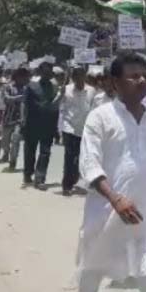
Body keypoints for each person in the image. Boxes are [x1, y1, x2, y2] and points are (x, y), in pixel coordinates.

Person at [75, 53, 146, 292]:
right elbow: (90, 165)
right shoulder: (100, 117)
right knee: (90, 275)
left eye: (145, 76)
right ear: (115, 82)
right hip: (105, 214)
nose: (142, 81)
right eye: (133, 76)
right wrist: (115, 199)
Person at [60, 66, 97, 196]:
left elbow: (94, 108)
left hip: (84, 129)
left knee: (81, 157)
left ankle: (76, 179)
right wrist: (60, 94)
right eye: (76, 76)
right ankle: (66, 185)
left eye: (81, 75)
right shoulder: (66, 89)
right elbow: (58, 105)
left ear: (84, 76)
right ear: (73, 78)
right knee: (69, 157)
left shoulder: (91, 90)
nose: (79, 78)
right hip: (69, 127)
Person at [22, 62, 60, 189]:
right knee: (30, 151)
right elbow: (25, 104)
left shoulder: (55, 87)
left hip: (48, 124)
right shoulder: (31, 86)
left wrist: (56, 127)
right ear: (40, 72)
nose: (47, 75)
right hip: (32, 123)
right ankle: (28, 174)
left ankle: (40, 178)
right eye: (45, 72)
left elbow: (56, 107)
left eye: (49, 73)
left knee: (45, 152)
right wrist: (23, 121)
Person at [1, 68, 30, 171]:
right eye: (21, 76)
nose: (23, 79)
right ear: (16, 77)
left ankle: (13, 162)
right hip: (8, 117)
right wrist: (20, 98)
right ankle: (5, 152)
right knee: (5, 141)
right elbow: (6, 99)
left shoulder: (27, 88)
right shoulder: (8, 87)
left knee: (15, 140)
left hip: (20, 119)